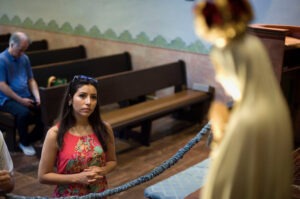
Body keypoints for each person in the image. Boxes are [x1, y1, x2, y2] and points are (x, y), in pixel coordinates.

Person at [193, 0, 293, 199]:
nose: (219, 78)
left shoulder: (249, 121)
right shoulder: (274, 107)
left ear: (238, 69)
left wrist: (221, 140)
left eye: (221, 70)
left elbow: (225, 187)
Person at [38, 75, 117, 197]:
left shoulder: (104, 128)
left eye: (93, 97)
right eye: (82, 96)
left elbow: (112, 161)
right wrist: (77, 178)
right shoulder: (55, 133)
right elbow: (43, 176)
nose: (88, 102)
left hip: (98, 193)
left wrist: (103, 170)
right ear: (70, 99)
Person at [0, 31, 44, 156]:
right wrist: (21, 100)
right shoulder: (2, 60)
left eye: (24, 50)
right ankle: (24, 143)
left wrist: (37, 97)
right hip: (5, 99)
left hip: (24, 96)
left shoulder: (24, 58)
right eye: (20, 50)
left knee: (44, 109)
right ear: (12, 44)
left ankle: (29, 139)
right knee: (23, 113)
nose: (22, 53)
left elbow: (31, 79)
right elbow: (2, 85)